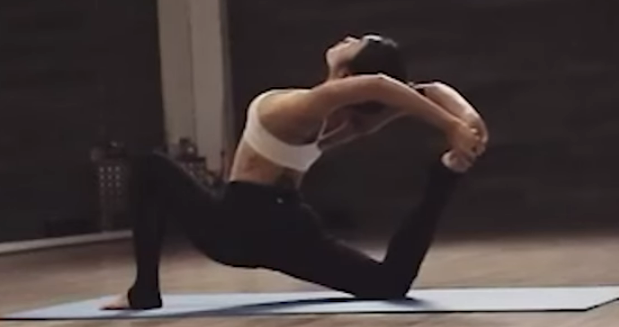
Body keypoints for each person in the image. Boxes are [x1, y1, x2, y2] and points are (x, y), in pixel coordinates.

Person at [103, 34, 488, 310]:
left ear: (347, 76)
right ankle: (446, 175)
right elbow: (430, 90)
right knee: (390, 282)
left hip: (236, 227)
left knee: (148, 167)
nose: (348, 38)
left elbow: (382, 86)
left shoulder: (305, 107)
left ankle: (144, 291)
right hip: (288, 229)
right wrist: (466, 121)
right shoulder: (343, 122)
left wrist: (455, 126)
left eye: (357, 43)